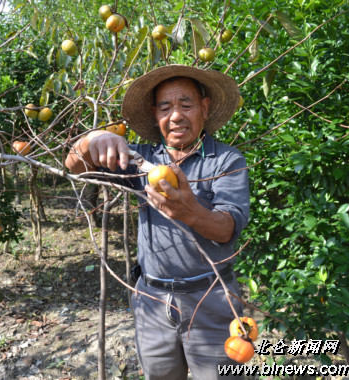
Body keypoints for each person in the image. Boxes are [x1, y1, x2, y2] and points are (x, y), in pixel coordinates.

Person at [65, 65, 250, 380]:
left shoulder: (226, 161)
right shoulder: (139, 159)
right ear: (155, 114)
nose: (176, 116)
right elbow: (75, 168)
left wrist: (189, 210)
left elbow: (228, 228)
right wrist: (92, 139)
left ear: (204, 108)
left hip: (211, 301)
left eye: (186, 105)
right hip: (152, 302)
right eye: (166, 107)